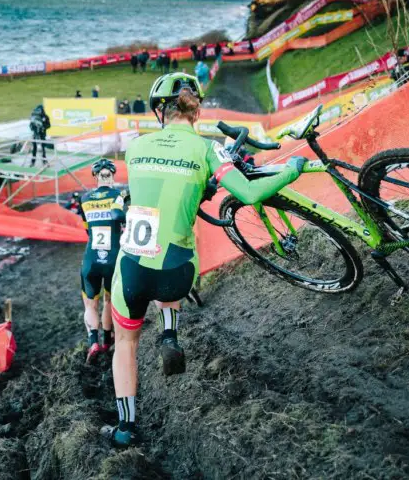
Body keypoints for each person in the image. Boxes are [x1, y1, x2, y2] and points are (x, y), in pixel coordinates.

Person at [102, 73, 305, 447]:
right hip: (177, 274)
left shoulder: (134, 146)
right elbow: (248, 192)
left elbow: (157, 187)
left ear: (160, 110)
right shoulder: (208, 149)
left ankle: (125, 428)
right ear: (195, 111)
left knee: (125, 344)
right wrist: (292, 169)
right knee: (175, 251)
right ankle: (169, 330)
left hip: (132, 270)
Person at [78, 159, 125, 364]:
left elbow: (87, 228)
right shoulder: (119, 196)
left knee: (90, 304)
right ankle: (107, 341)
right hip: (113, 256)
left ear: (95, 176)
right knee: (108, 301)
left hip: (91, 257)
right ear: (112, 175)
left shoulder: (85, 198)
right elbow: (122, 221)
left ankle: (93, 342)